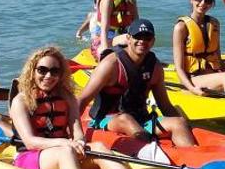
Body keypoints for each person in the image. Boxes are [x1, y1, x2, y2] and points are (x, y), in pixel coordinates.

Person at [8, 45, 138, 169]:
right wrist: (64, 143)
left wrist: (79, 142)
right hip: (30, 159)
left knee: (98, 147)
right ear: (32, 71)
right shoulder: (20, 101)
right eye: (42, 70)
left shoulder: (67, 98)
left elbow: (78, 133)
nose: (48, 76)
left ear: (61, 74)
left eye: (54, 71)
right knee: (65, 152)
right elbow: (30, 142)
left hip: (64, 153)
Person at [78, 19, 197, 147]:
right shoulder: (111, 64)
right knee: (125, 119)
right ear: (128, 38)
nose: (142, 41)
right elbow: (82, 100)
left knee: (179, 123)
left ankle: (192, 155)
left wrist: (185, 125)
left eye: (147, 38)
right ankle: (151, 148)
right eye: (138, 36)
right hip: (107, 120)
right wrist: (74, 132)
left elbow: (165, 106)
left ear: (153, 41)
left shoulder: (154, 67)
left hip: (141, 119)